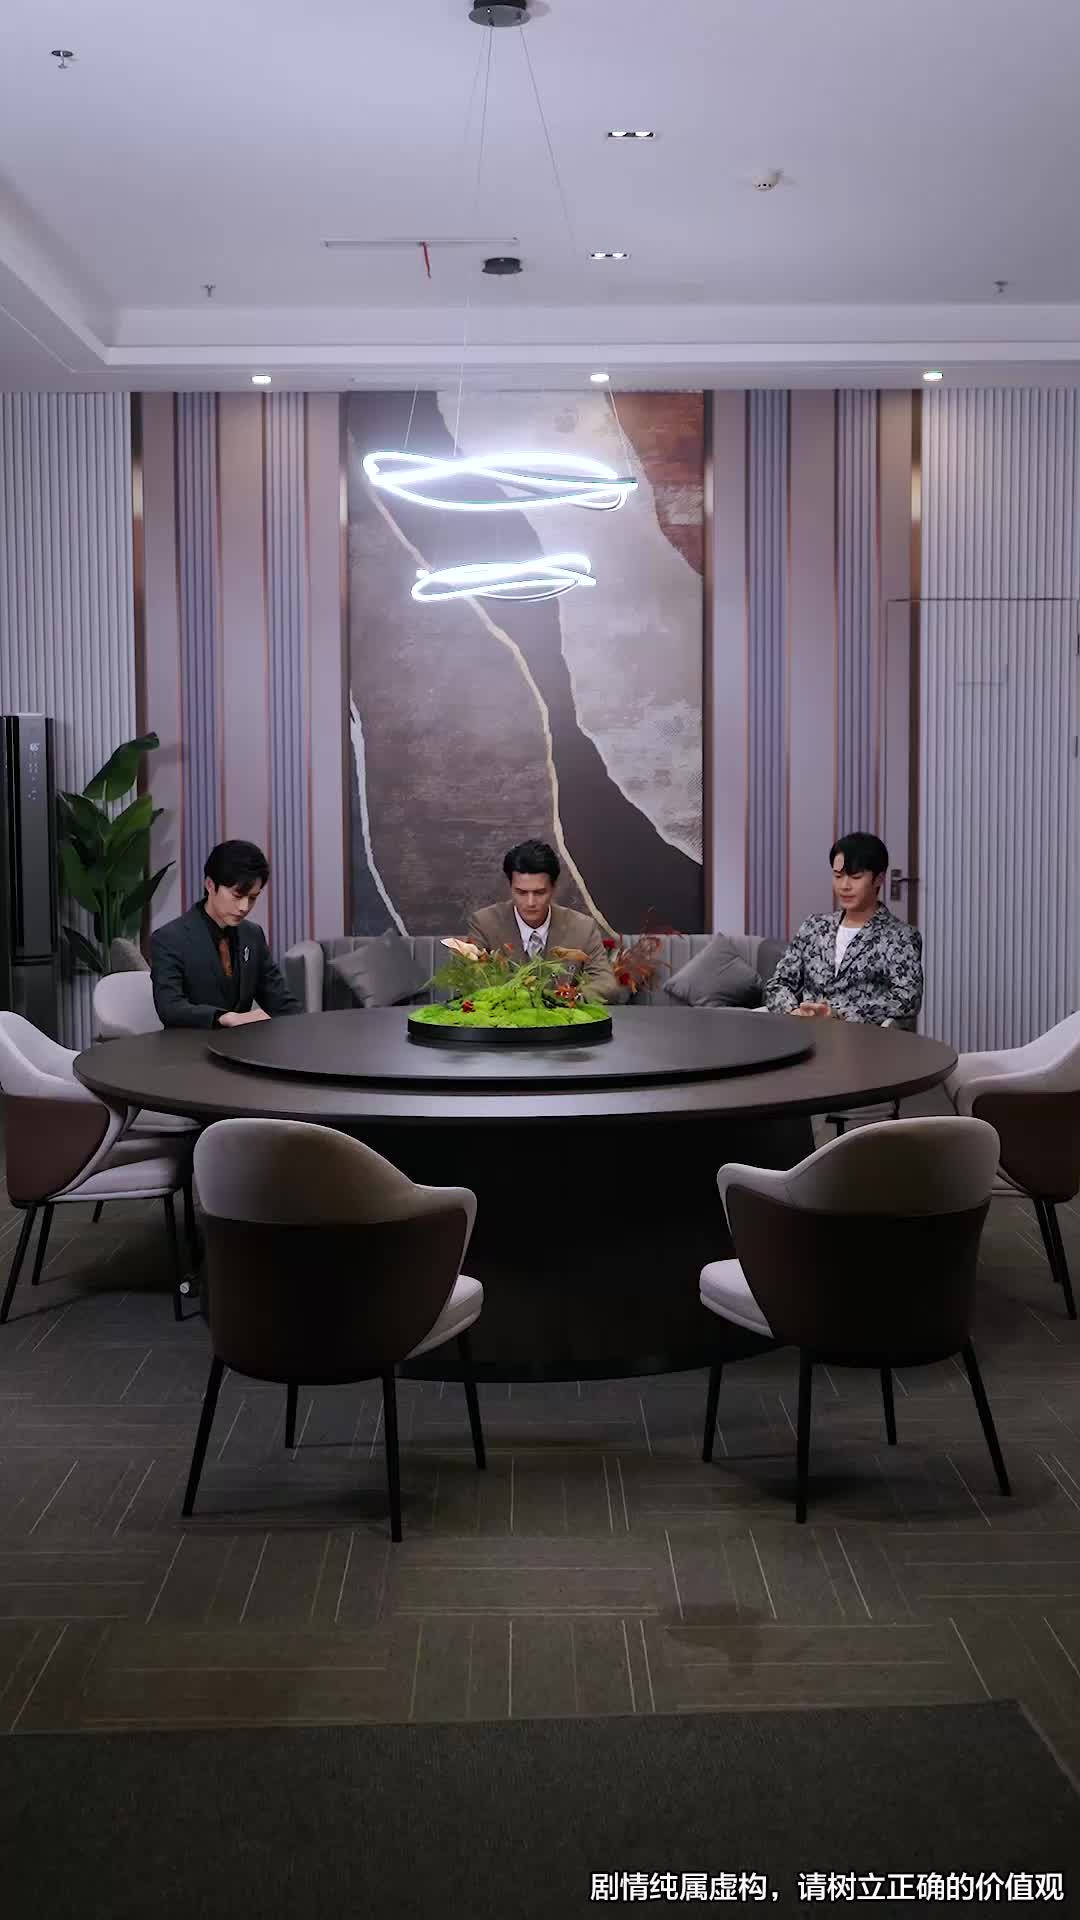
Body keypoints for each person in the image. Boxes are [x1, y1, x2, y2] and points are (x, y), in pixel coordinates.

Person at [764, 831, 923, 1025]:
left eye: (855, 877)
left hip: (860, 1039)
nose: (844, 886)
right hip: (803, 1033)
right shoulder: (814, 927)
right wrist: (794, 1011)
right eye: (838, 876)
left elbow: (907, 999)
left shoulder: (900, 936)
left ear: (879, 879)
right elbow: (778, 984)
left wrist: (839, 1014)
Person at [151, 840, 301, 1030]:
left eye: (252, 898)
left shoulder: (253, 935)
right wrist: (221, 1017)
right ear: (210, 885)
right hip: (191, 1044)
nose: (244, 907)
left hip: (244, 1044)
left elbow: (280, 1002)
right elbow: (170, 1007)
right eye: (237, 895)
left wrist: (309, 1028)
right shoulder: (169, 939)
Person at [468, 839, 619, 1004]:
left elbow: (606, 986)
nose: (530, 902)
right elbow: (471, 984)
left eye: (540, 893)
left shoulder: (583, 928)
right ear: (510, 887)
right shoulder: (484, 924)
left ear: (554, 888)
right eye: (521, 892)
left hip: (563, 1018)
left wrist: (565, 998)